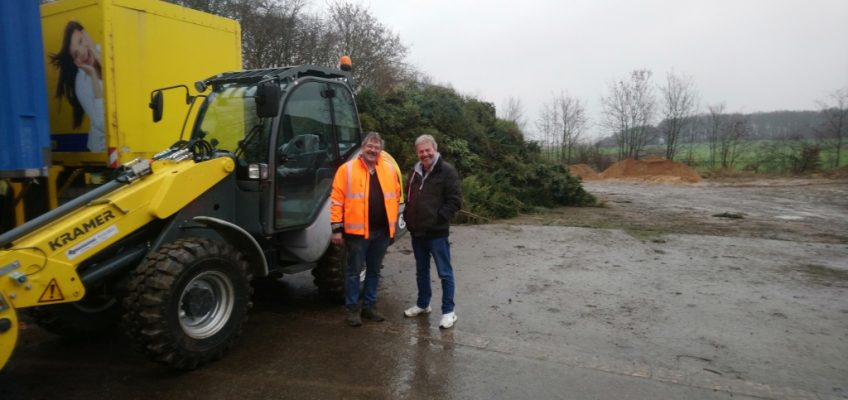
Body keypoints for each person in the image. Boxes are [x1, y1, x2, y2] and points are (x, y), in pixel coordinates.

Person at [330, 132, 401, 327]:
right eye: (370, 146)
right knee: (353, 271)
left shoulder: (388, 170)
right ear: (362, 148)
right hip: (357, 233)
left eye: (377, 147)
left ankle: (369, 307)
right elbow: (336, 200)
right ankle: (352, 309)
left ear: (381, 150)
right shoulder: (347, 170)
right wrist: (336, 229)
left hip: (382, 232)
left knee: (374, 271)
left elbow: (394, 198)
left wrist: (392, 229)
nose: (373, 150)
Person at [403, 135, 462, 329]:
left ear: (435, 149)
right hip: (417, 233)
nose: (425, 154)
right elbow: (409, 198)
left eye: (428, 150)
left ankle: (448, 312)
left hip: (437, 233)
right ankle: (423, 304)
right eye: (421, 151)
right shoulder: (414, 172)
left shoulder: (447, 171)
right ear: (417, 153)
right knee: (421, 271)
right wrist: (408, 217)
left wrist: (438, 219)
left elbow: (454, 201)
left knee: (444, 272)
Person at [50, 21, 105, 152]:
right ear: (75, 62)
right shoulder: (82, 84)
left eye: (80, 41)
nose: (82, 53)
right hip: (102, 150)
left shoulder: (104, 50)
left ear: (85, 33)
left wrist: (95, 54)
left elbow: (118, 77)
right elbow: (101, 125)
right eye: (75, 54)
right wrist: (92, 74)